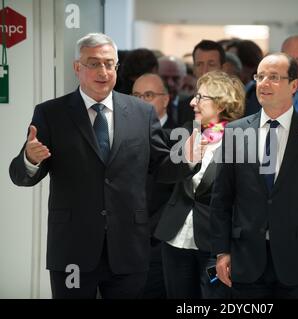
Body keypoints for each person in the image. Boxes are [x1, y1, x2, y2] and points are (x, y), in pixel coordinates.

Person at [8, 33, 197, 299]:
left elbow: (161, 167)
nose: (103, 71)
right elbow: (20, 176)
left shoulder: (141, 113)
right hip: (72, 247)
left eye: (109, 64)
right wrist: (30, 158)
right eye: (94, 63)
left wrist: (186, 158)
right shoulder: (51, 113)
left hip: (128, 247)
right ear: (77, 68)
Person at [210, 53, 298, 299]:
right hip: (245, 259)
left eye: (273, 77)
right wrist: (221, 251)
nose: (263, 84)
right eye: (260, 77)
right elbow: (221, 199)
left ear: (294, 85)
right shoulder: (236, 131)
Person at [154, 71, 245, 298]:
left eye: (201, 97)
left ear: (222, 103)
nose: (193, 102)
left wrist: (231, 246)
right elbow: (162, 174)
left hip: (216, 243)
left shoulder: (241, 139)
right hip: (175, 237)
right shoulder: (186, 130)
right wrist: (186, 159)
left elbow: (243, 198)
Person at [131, 73, 175, 298]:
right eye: (136, 95)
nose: (141, 101)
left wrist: (149, 230)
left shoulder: (181, 136)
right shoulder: (121, 134)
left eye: (148, 95)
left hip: (160, 241)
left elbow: (178, 195)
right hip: (126, 240)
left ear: (165, 100)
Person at [177, 40, 225, 126]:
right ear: (194, 69)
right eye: (199, 64)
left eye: (211, 64)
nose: (205, 71)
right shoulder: (183, 108)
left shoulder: (236, 106)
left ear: (222, 68)